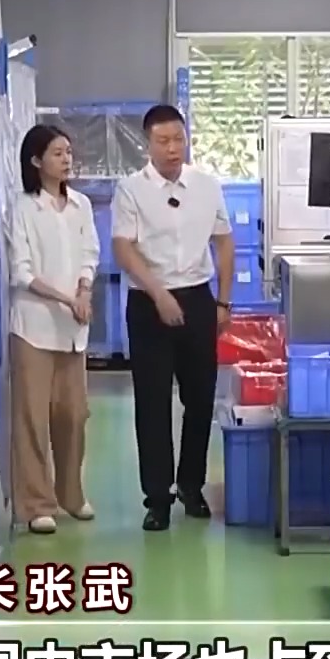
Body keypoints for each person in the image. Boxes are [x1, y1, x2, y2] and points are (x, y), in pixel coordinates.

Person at [111, 104, 234, 531]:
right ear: (147, 144)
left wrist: (224, 302)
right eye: (163, 141)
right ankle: (158, 497)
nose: (172, 148)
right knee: (153, 402)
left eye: (179, 139)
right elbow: (123, 247)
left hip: (198, 298)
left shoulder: (206, 186)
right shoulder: (131, 189)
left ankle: (191, 485)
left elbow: (224, 243)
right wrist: (158, 293)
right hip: (149, 302)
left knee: (201, 399)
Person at [6, 124, 99, 534]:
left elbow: (90, 253)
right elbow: (22, 271)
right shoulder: (23, 208)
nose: (66, 159)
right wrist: (67, 299)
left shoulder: (81, 205)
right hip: (34, 328)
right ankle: (36, 503)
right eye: (57, 153)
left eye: (68, 152)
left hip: (73, 330)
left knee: (73, 414)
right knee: (32, 417)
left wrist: (84, 290)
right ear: (36, 160)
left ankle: (70, 495)